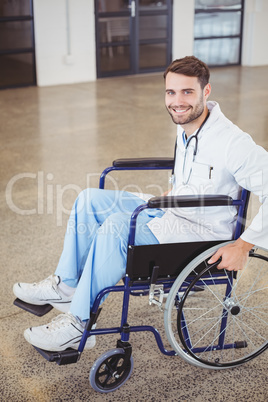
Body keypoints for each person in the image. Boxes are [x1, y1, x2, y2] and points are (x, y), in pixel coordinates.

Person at [13, 56, 268, 352]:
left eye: (187, 92)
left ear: (206, 92)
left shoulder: (233, 142)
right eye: (170, 92)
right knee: (89, 200)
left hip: (198, 233)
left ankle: (78, 324)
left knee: (119, 226)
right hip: (172, 209)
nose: (177, 101)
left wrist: (244, 245)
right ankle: (66, 286)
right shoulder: (188, 125)